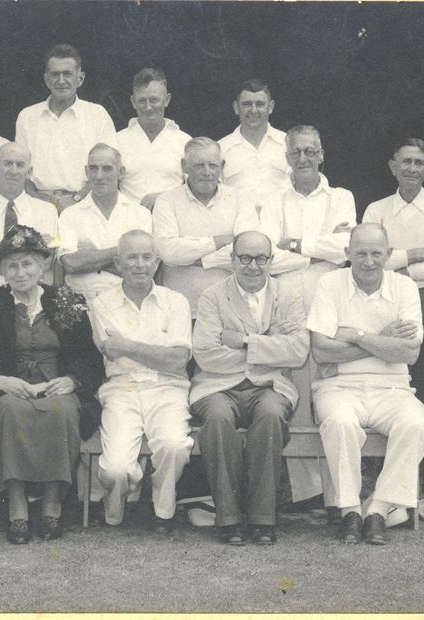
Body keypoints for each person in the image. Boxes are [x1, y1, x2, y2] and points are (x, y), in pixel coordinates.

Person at [0, 225, 104, 543]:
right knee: (9, 410)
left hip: (57, 386)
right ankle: (17, 508)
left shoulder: (66, 299)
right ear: (1, 271)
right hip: (10, 387)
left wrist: (72, 380)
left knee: (61, 411)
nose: (20, 272)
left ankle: (53, 505)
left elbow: (89, 355)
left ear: (42, 265)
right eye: (12, 265)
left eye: (27, 263)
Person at [308, 223, 424, 545]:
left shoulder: (404, 287)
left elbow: (409, 352)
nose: (368, 261)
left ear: (388, 254)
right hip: (338, 386)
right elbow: (321, 350)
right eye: (360, 253)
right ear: (347, 253)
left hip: (394, 387)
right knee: (340, 423)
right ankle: (350, 510)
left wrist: (355, 335)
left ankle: (378, 509)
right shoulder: (329, 283)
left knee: (415, 425)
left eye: (376, 253)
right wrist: (383, 339)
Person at [258, 125, 356, 511]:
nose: (303, 158)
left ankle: (337, 493)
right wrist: (318, 253)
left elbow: (346, 248)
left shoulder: (341, 197)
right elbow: (267, 256)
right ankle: (307, 492)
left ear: (321, 154)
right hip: (287, 305)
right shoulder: (273, 200)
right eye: (296, 152)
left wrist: (298, 245)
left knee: (331, 390)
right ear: (286, 157)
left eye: (310, 151)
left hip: (329, 302)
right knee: (296, 390)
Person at [190, 231, 308, 545]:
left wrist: (242, 341)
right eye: (244, 258)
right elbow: (206, 355)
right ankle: (228, 519)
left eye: (260, 258)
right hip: (216, 386)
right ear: (232, 259)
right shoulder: (212, 296)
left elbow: (298, 352)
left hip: (270, 385)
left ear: (271, 260)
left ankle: (262, 519)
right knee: (217, 419)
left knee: (270, 415)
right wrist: (270, 341)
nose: (252, 266)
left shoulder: (288, 296)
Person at [362, 138, 424, 493]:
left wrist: (400, 267)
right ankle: (392, 482)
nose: (412, 168)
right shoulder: (376, 210)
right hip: (388, 298)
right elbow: (369, 257)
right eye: (406, 161)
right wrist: (417, 253)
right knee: (393, 378)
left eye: (419, 163)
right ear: (393, 166)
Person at [89, 230, 194, 533]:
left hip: (168, 387)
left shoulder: (176, 302)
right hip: (122, 388)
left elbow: (178, 360)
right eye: (131, 257)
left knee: (174, 445)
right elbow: (111, 351)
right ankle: (116, 509)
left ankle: (163, 511)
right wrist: (158, 351)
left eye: (147, 257)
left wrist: (128, 346)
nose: (140, 264)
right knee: (116, 469)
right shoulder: (102, 303)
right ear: (117, 263)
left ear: (157, 262)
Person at [153, 137, 259, 316]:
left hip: (231, 309)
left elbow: (247, 252)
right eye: (199, 165)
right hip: (179, 311)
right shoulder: (166, 201)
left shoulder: (241, 199)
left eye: (213, 165)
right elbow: (168, 252)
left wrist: (197, 259)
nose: (207, 172)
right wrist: (219, 241)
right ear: (184, 166)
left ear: (222, 166)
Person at [15, 43, 117, 211]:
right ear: (46, 79)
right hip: (36, 205)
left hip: (85, 204)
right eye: (55, 74)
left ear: (80, 78)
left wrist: (77, 199)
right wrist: (42, 201)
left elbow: (108, 169)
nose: (61, 80)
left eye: (67, 74)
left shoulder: (97, 115)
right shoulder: (27, 117)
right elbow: (20, 170)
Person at [58, 144, 153, 299]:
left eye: (107, 169)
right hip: (81, 301)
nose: (99, 176)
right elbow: (70, 264)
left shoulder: (140, 214)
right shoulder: (69, 215)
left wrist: (88, 257)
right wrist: (125, 251)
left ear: (121, 172)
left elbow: (142, 270)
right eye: (93, 168)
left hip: (127, 300)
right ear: (86, 172)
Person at [0, 142, 59, 292]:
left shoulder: (47, 211)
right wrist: (30, 250)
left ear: (29, 171)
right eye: (8, 163)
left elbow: (46, 262)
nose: (13, 171)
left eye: (20, 165)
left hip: (34, 298)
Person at [116, 68, 191, 210]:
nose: (148, 107)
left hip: (172, 217)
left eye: (154, 100)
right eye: (142, 101)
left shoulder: (184, 141)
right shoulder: (117, 140)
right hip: (128, 218)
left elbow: (197, 188)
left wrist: (162, 198)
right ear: (133, 102)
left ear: (167, 100)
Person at [218, 80, 290, 195]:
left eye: (260, 104)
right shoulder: (220, 149)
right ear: (236, 107)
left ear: (270, 107)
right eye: (247, 104)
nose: (253, 110)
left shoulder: (289, 144)